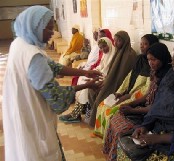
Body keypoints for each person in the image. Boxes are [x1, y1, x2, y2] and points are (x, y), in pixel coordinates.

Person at [2, 6, 102, 161]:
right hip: (32, 115)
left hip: (18, 108)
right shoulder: (34, 57)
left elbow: (54, 67)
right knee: (38, 151)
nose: (53, 33)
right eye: (48, 29)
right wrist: (87, 84)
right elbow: (57, 99)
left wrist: (85, 72)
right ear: (34, 27)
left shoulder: (20, 43)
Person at [103, 42, 172, 161]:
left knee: (122, 130)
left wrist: (134, 110)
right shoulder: (154, 72)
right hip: (146, 109)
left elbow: (158, 107)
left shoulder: (169, 77)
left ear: (162, 58)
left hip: (155, 115)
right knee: (115, 117)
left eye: (154, 59)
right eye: (149, 59)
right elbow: (148, 94)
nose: (151, 63)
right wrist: (132, 103)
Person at [93, 34, 159, 138]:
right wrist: (119, 92)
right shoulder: (140, 59)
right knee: (102, 105)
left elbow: (146, 90)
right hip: (128, 93)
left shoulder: (153, 66)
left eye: (145, 44)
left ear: (152, 45)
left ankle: (107, 137)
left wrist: (128, 96)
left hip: (137, 98)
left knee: (110, 112)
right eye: (141, 44)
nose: (141, 46)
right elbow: (129, 77)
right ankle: (102, 134)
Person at [87, 30, 137, 127]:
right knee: (92, 90)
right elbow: (111, 72)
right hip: (110, 81)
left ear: (125, 41)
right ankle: (95, 119)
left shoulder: (130, 55)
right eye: (115, 40)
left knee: (99, 99)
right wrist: (106, 81)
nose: (115, 43)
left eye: (118, 41)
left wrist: (108, 83)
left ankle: (96, 123)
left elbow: (123, 77)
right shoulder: (118, 52)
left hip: (118, 85)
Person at [59, 37, 115, 123]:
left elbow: (110, 73)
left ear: (109, 44)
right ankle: (78, 112)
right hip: (101, 75)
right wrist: (95, 71)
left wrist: (98, 75)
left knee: (86, 86)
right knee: (82, 79)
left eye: (104, 46)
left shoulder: (113, 55)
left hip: (107, 79)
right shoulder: (105, 54)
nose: (103, 49)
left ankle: (76, 114)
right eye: (101, 47)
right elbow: (101, 66)